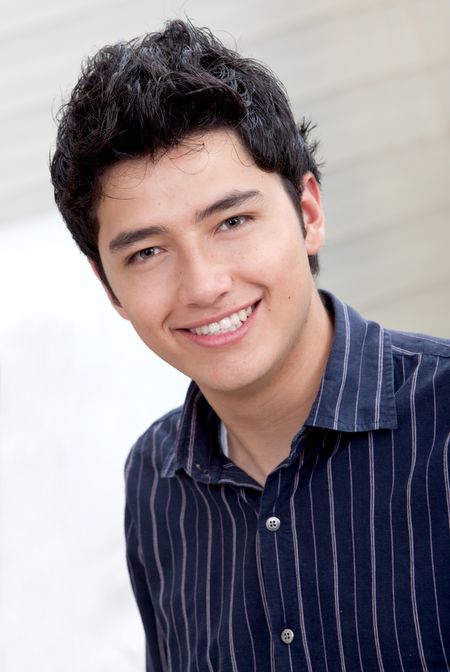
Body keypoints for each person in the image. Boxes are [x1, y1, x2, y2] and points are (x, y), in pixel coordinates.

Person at [50, 19, 450, 672]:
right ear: (110, 288)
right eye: (148, 252)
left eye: (232, 221)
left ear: (309, 214)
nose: (205, 285)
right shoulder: (155, 483)